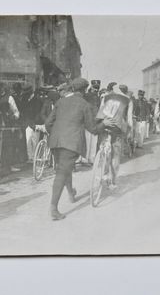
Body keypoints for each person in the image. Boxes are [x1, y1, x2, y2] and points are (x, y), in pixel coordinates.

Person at [44, 78, 115, 220]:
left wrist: (57, 134)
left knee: (64, 169)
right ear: (83, 90)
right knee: (62, 173)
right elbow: (93, 129)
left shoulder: (60, 101)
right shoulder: (84, 104)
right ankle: (53, 209)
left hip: (55, 142)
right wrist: (105, 123)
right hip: (71, 143)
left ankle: (71, 193)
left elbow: (47, 123)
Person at [96, 84, 133, 188]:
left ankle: (104, 173)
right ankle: (112, 181)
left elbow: (100, 111)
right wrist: (129, 131)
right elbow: (129, 119)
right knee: (116, 154)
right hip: (117, 127)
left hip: (104, 124)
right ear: (125, 92)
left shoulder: (106, 97)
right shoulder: (128, 100)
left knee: (104, 148)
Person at [83, 80, 101, 164]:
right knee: (87, 140)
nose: (96, 90)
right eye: (95, 88)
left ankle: (92, 159)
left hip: (95, 121)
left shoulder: (98, 98)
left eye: (97, 88)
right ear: (92, 87)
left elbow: (100, 109)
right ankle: (85, 158)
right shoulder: (86, 96)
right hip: (88, 121)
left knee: (94, 141)